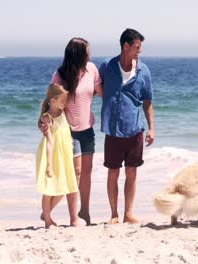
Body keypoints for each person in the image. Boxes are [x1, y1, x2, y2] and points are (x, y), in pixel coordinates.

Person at [40, 37, 103, 226]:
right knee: (74, 172)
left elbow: (102, 92)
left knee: (87, 172)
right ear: (77, 55)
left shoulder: (91, 69)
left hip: (87, 129)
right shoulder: (59, 76)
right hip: (67, 131)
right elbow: (49, 100)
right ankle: (73, 217)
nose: (89, 55)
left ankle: (84, 212)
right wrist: (42, 122)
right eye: (87, 52)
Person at [99, 28, 154, 224]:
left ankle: (128, 213)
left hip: (135, 130)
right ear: (126, 46)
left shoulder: (143, 70)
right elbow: (97, 88)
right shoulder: (107, 66)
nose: (139, 51)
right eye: (137, 47)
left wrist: (151, 128)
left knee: (132, 171)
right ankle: (114, 214)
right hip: (113, 130)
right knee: (113, 172)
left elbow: (147, 101)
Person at [36, 83, 79, 228]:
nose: (65, 103)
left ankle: (45, 212)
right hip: (51, 155)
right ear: (52, 101)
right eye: (62, 100)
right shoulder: (47, 118)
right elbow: (49, 142)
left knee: (65, 186)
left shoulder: (62, 113)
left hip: (64, 155)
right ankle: (47, 220)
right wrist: (48, 164)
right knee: (49, 188)